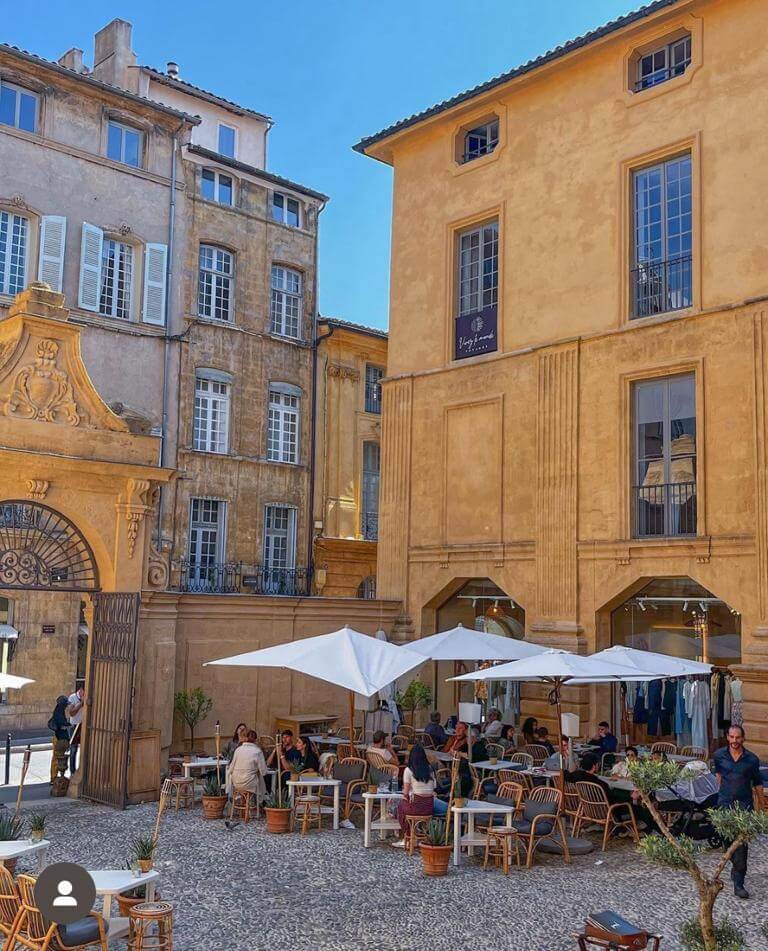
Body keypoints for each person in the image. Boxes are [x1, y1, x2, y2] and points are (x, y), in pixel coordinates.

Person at [713, 725, 765, 899]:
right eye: (732, 737)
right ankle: (735, 867)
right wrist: (718, 797)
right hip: (724, 805)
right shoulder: (719, 755)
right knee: (726, 842)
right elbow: (718, 776)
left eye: (738, 738)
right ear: (727, 737)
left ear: (743, 738)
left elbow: (757, 783)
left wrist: (762, 808)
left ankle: (738, 883)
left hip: (744, 807)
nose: (734, 741)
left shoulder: (751, 759)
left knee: (741, 846)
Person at [392, 744, 449, 848]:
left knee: (400, 808)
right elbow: (433, 788)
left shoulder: (409, 770)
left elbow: (405, 792)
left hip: (416, 807)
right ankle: (416, 835)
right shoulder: (430, 769)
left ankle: (408, 837)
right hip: (429, 807)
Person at [229, 730, 268, 804]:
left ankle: (243, 801)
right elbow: (264, 772)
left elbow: (231, 769)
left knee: (255, 777)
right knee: (260, 778)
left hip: (236, 783)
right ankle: (260, 802)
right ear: (255, 740)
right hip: (249, 783)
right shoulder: (257, 751)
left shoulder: (238, 750)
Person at [48, 695, 70, 783]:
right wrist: (67, 725)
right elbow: (60, 723)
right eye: (66, 705)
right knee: (57, 758)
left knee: (59, 758)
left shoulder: (60, 712)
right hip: (59, 738)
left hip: (61, 738)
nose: (66, 706)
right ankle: (53, 777)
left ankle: (56, 776)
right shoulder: (58, 713)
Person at [66, 687, 85, 774]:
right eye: (84, 692)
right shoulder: (72, 697)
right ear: (80, 690)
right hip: (74, 726)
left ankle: (82, 770)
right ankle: (72, 771)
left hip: (84, 726)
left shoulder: (87, 696)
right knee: (73, 749)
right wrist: (80, 704)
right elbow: (71, 713)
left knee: (85, 748)